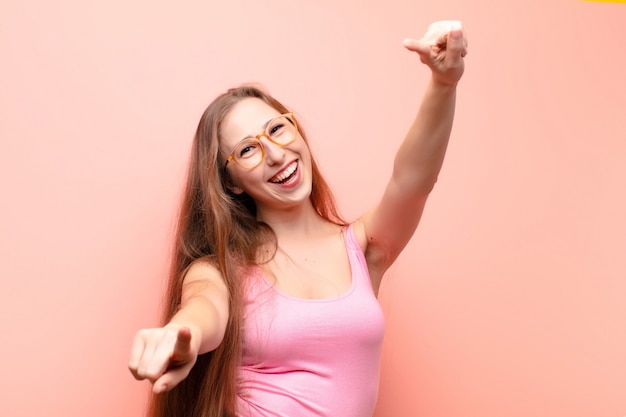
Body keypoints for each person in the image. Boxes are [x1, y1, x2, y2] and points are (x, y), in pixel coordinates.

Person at [128, 20, 468, 417]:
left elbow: (412, 180)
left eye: (277, 128)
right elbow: (205, 309)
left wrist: (443, 85)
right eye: (248, 150)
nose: (275, 153)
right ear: (232, 182)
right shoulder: (220, 269)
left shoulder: (364, 250)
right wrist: (179, 334)